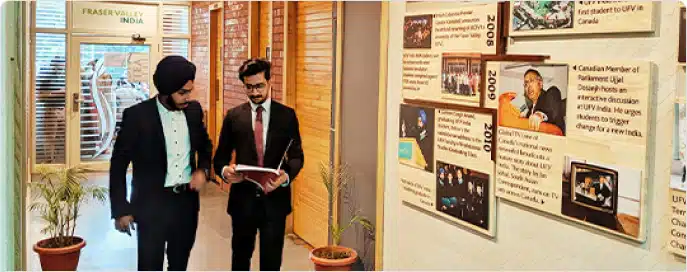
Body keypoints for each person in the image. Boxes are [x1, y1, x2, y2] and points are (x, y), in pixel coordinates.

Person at [109, 55, 212, 271]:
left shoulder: (193, 112)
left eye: (189, 91)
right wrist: (120, 209)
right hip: (150, 205)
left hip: (185, 204)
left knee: (179, 264)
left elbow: (205, 146)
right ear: (165, 90)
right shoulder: (137, 116)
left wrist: (202, 169)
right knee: (149, 265)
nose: (187, 97)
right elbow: (118, 165)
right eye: (182, 92)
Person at [213, 58, 304, 271]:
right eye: (249, 87)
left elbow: (297, 156)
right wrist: (226, 171)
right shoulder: (234, 117)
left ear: (269, 82)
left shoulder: (287, 116)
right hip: (242, 202)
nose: (254, 92)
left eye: (259, 86)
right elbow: (219, 158)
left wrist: (285, 176)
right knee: (240, 260)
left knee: (271, 263)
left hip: (275, 203)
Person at [522, 69, 565, 134]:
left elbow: (553, 111)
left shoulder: (551, 93)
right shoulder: (528, 113)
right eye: (526, 84)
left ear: (540, 83)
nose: (528, 86)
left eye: (531, 81)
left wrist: (540, 115)